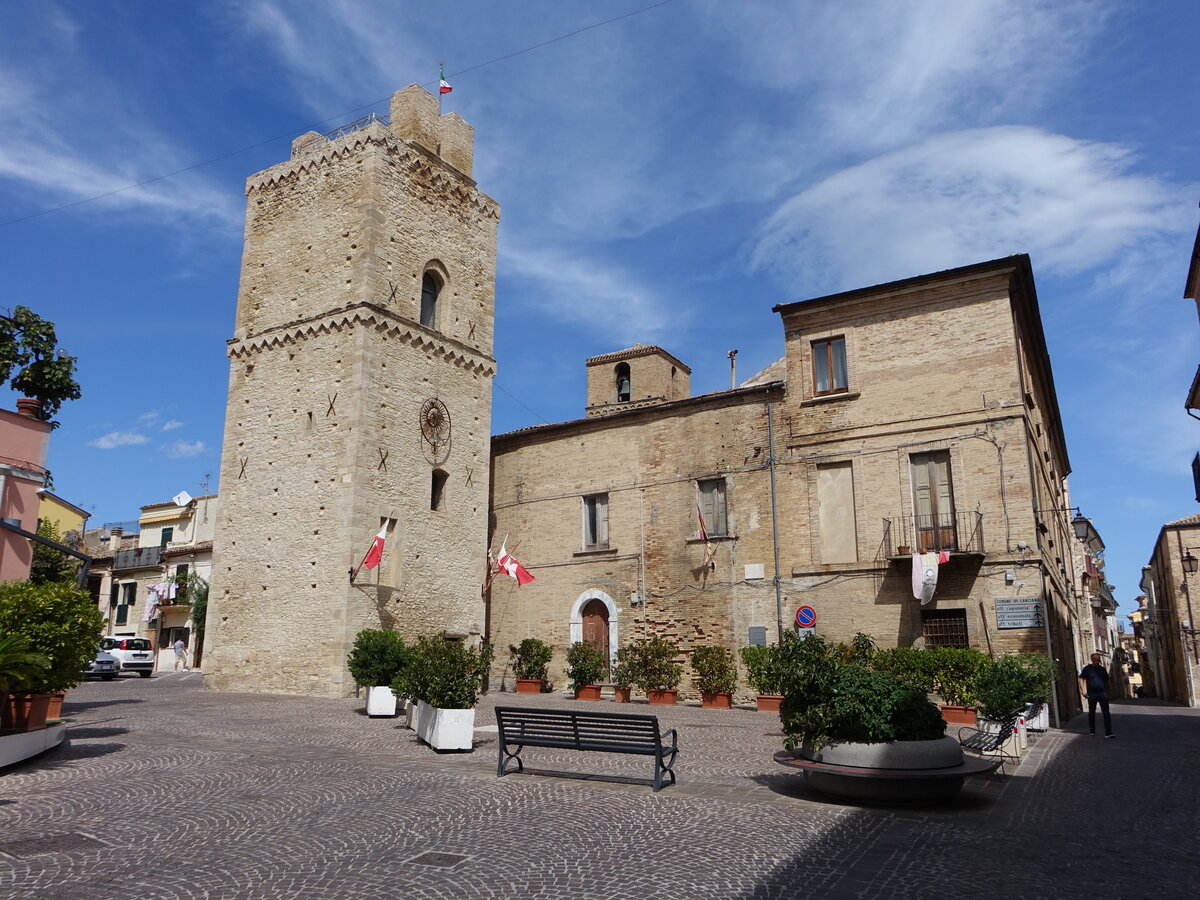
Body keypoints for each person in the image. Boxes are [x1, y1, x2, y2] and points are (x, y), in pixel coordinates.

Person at [1078, 652, 1113, 737]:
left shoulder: (1102, 669)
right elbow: (1081, 678)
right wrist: (1083, 690)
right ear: (1092, 660)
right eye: (1095, 660)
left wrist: (1108, 691)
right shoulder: (1087, 669)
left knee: (1106, 712)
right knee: (1092, 712)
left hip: (1102, 693)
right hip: (1092, 693)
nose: (1097, 661)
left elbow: (1107, 681)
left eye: (1098, 660)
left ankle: (1108, 732)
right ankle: (1092, 730)